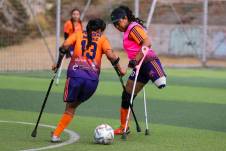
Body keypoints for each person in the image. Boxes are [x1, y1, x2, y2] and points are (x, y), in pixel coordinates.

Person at [51, 18, 125, 142]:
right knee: (73, 106)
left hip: (75, 76)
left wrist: (58, 64)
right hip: (92, 80)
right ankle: (56, 133)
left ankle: (56, 134)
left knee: (69, 107)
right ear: (100, 30)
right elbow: (111, 56)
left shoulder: (78, 34)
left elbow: (64, 46)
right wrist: (120, 69)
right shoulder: (103, 39)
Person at [110, 5, 167, 135]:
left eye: (118, 22)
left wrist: (136, 59)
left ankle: (159, 71)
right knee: (126, 96)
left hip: (147, 61)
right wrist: (133, 63)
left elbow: (147, 43)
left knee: (161, 82)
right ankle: (124, 127)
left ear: (125, 18)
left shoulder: (133, 28)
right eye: (114, 25)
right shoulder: (127, 31)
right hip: (139, 66)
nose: (117, 26)